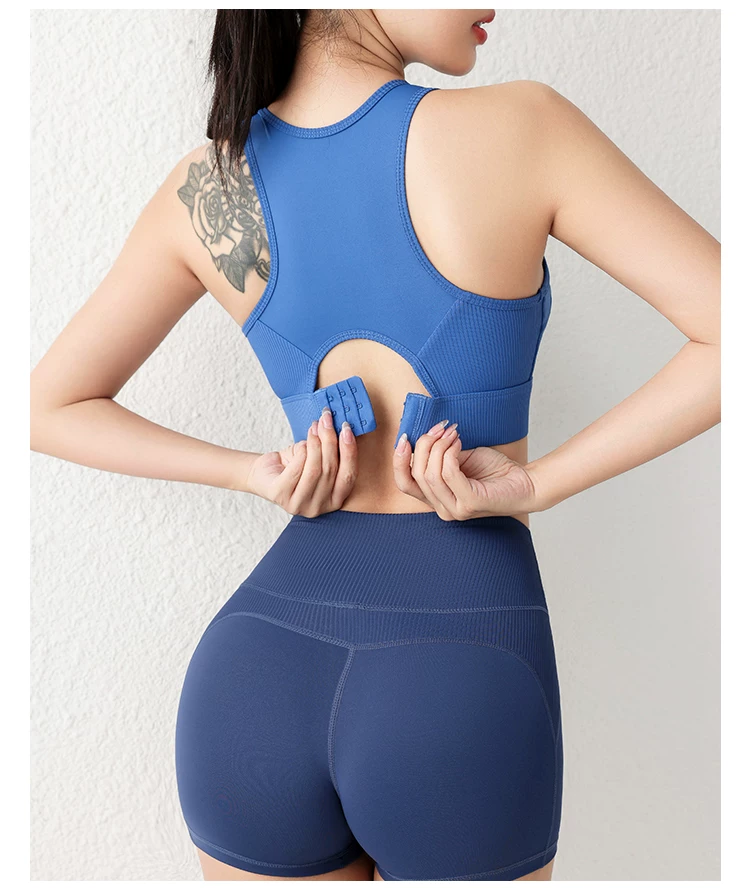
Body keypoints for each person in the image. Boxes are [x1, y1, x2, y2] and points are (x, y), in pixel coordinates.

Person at [29, 9, 720, 882]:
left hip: (253, 679)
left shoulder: (212, 189)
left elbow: (50, 405)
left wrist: (252, 474)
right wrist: (536, 484)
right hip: (458, 677)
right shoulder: (522, 127)